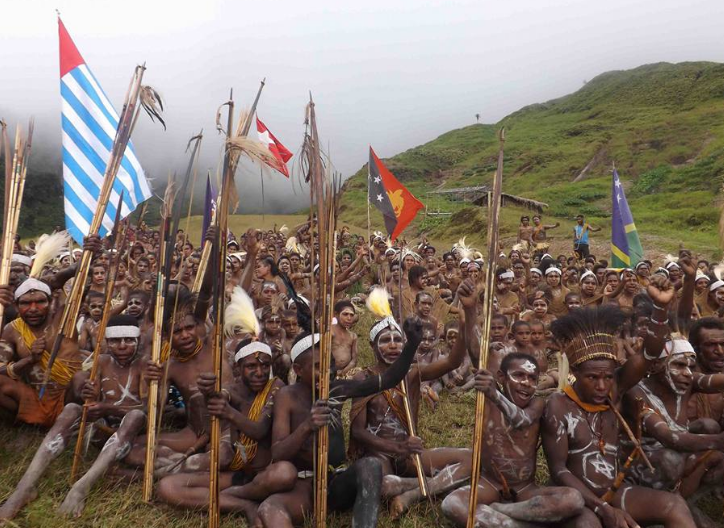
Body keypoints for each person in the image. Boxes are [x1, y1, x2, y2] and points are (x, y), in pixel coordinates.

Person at [542, 281, 699, 527]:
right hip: (580, 498)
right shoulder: (558, 405)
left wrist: (660, 309)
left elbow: (649, 354)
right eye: (592, 378)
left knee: (674, 505)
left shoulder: (615, 390)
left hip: (616, 490)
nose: (602, 386)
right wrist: (603, 508)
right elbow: (559, 471)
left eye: (607, 377)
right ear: (574, 372)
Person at [255, 316, 423, 528]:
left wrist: (411, 346)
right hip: (302, 484)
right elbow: (278, 453)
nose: (327, 373)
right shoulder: (286, 396)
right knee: (270, 509)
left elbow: (389, 379)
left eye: (330, 365)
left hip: (335, 481)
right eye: (318, 367)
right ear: (298, 370)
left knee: (370, 466)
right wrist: (307, 425)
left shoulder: (338, 389)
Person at [349, 281, 476, 517]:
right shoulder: (364, 378)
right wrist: (396, 447)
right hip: (380, 456)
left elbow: (452, 363)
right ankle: (434, 483)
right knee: (383, 485)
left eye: (397, 340)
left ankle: (412, 491)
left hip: (410, 455)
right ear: (373, 346)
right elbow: (358, 433)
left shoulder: (412, 372)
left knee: (471, 459)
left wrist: (464, 320)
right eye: (385, 341)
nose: (393, 346)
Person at [0, 315, 146, 519]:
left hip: (132, 437)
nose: (122, 346)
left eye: (128, 340)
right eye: (115, 340)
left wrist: (105, 407)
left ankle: (81, 487)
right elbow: (89, 396)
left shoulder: (145, 366)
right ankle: (24, 488)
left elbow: (147, 409)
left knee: (136, 415)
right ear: (107, 342)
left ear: (138, 341)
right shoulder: (100, 362)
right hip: (102, 432)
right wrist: (89, 396)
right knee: (70, 408)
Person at [156, 341, 295, 524]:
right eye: (251, 366)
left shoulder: (276, 387)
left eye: (265, 366)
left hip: (266, 474)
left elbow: (260, 430)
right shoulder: (231, 390)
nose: (260, 373)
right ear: (238, 367)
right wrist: (209, 394)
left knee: (284, 474)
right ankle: (245, 505)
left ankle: (235, 494)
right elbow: (220, 397)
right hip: (239, 473)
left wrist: (229, 412)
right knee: (168, 487)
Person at [442, 353, 586, 527]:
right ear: (501, 377)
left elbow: (521, 420)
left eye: (532, 378)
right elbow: (476, 352)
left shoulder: (537, 404)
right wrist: (468, 324)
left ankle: (501, 512)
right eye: (518, 375)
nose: (526, 383)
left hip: (525, 489)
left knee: (574, 500)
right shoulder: (488, 399)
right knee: (451, 504)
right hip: (490, 484)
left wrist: (495, 394)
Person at [331, 299, 359, 377]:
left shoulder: (353, 336)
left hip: (345, 373)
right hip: (329, 372)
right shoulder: (330, 332)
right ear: (336, 314)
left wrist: (343, 372)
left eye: (351, 315)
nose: (349, 318)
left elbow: (354, 359)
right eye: (345, 314)